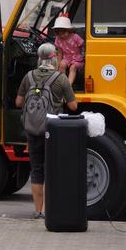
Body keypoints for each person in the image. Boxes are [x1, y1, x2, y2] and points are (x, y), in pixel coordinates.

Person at [15, 43, 77, 219]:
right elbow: (73, 106)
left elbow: (19, 103)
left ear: (39, 58)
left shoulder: (28, 76)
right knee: (53, 169)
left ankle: (38, 211)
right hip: (53, 131)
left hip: (33, 130)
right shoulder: (60, 78)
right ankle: (52, 210)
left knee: (37, 169)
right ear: (53, 58)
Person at [52, 15, 84, 86]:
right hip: (66, 58)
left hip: (77, 58)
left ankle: (68, 86)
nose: (62, 35)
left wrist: (85, 58)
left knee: (73, 67)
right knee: (62, 65)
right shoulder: (58, 39)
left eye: (63, 33)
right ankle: (63, 83)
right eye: (59, 33)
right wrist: (57, 65)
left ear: (69, 30)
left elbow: (84, 47)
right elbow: (60, 53)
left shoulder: (75, 37)